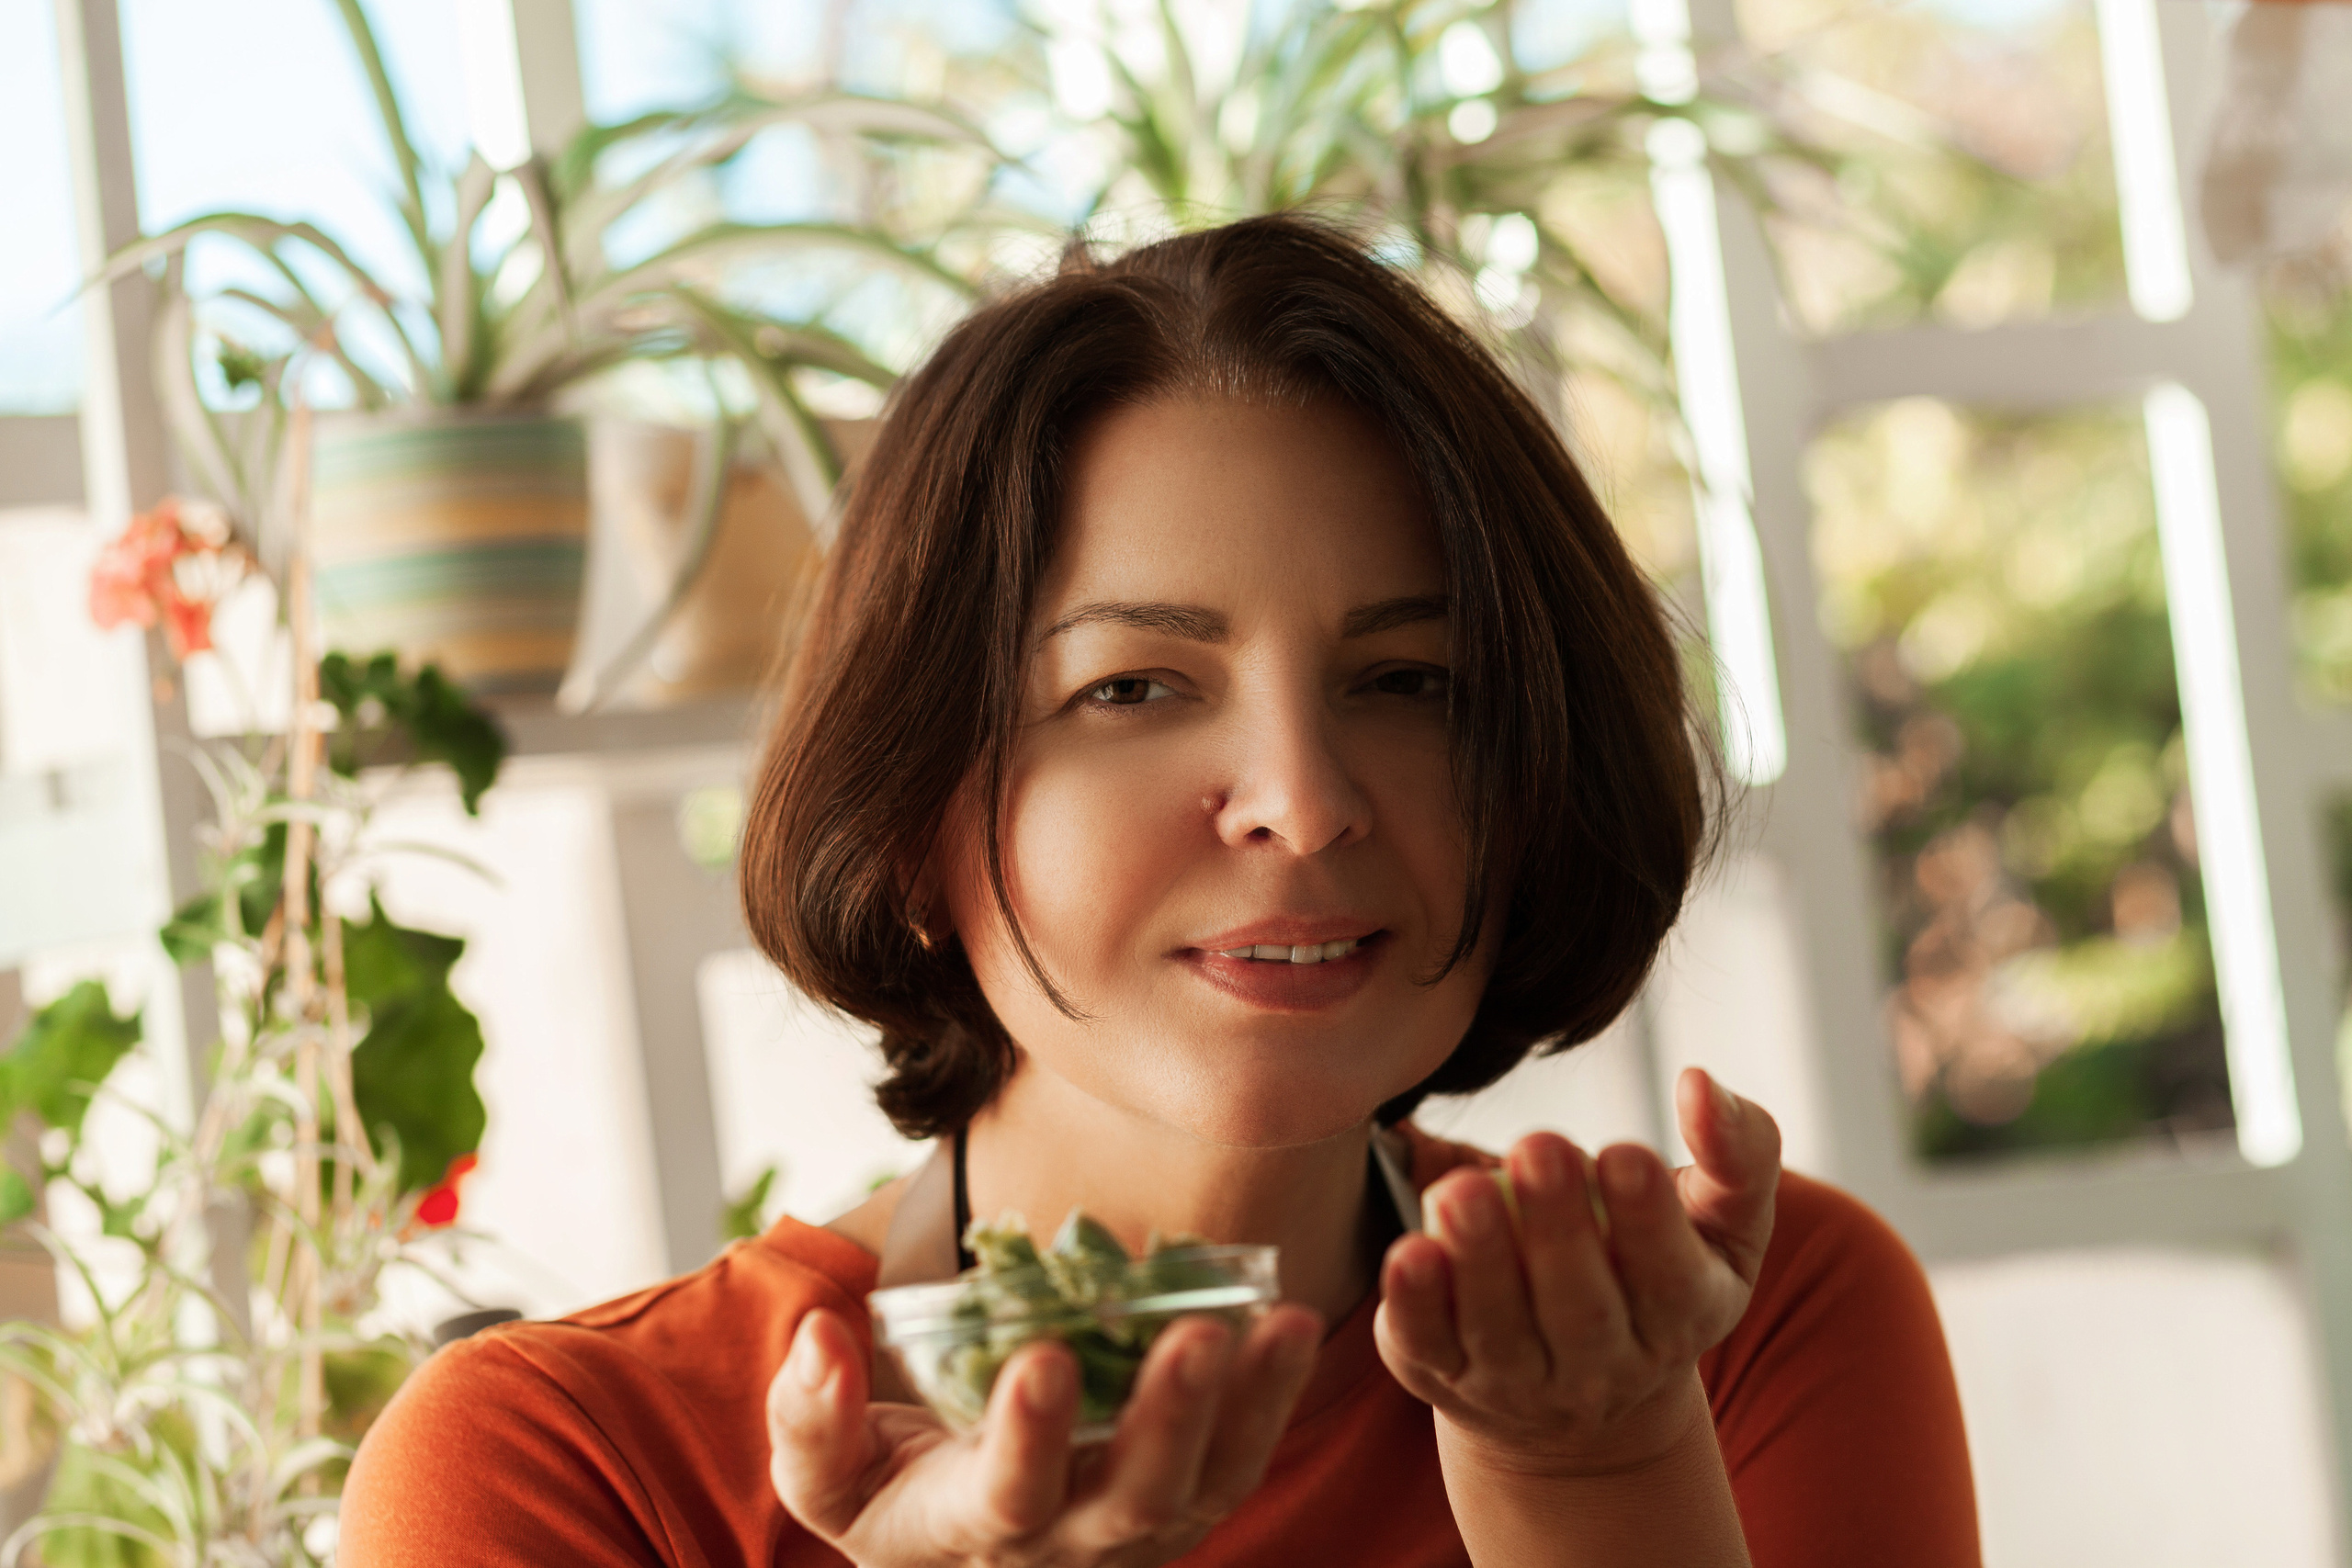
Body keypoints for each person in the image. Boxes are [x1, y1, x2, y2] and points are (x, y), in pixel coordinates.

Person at [342, 214, 1979, 1567]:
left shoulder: (1744, 1328)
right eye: (1132, 687)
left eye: (1410, 682)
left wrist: (1602, 1484)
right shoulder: (562, 1468)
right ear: (914, 807)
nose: (1306, 800)